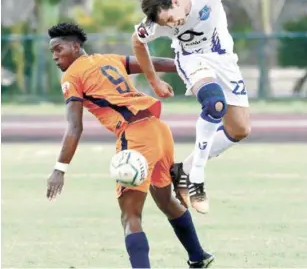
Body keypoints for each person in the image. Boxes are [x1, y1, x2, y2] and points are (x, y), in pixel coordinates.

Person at [46, 22, 215, 269]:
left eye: (58, 49)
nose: (54, 56)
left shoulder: (71, 76)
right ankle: (198, 256)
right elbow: (152, 61)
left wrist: (60, 169)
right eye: (52, 52)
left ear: (75, 46)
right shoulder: (108, 59)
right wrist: (192, 69)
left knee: (130, 215)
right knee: (166, 200)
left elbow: (74, 127)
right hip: (159, 130)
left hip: (135, 136)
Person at [132, 0, 298, 214]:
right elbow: (137, 42)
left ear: (176, 1)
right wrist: (154, 81)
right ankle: (196, 179)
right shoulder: (152, 23)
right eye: (166, 23)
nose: (172, 24)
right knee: (214, 104)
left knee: (240, 129)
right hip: (192, 60)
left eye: (171, 18)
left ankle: (182, 170)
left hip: (224, 60)